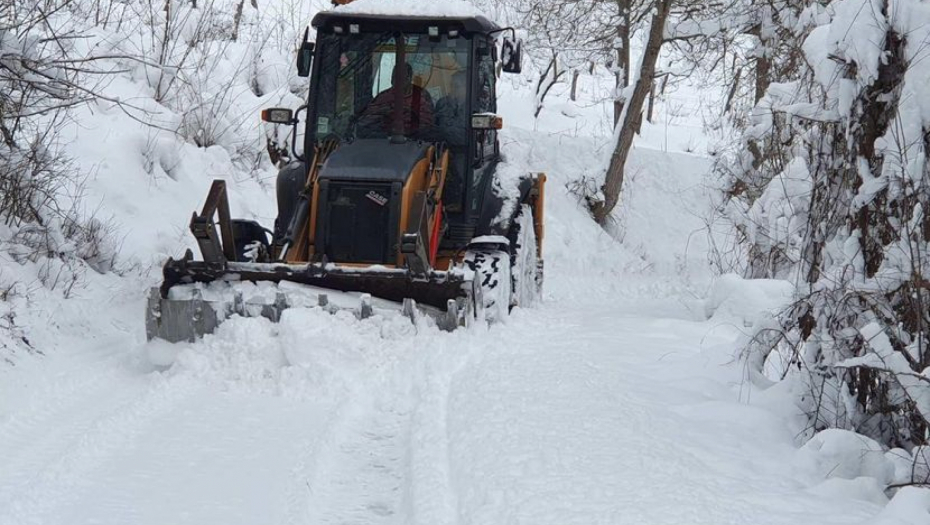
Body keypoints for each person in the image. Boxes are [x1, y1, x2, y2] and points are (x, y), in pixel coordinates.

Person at [357, 62, 434, 137]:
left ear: (409, 78)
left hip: (416, 139)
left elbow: (428, 122)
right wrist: (384, 111)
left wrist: (407, 112)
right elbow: (366, 119)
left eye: (401, 78)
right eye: (394, 77)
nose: (397, 81)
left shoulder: (421, 95)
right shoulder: (383, 97)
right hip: (386, 139)